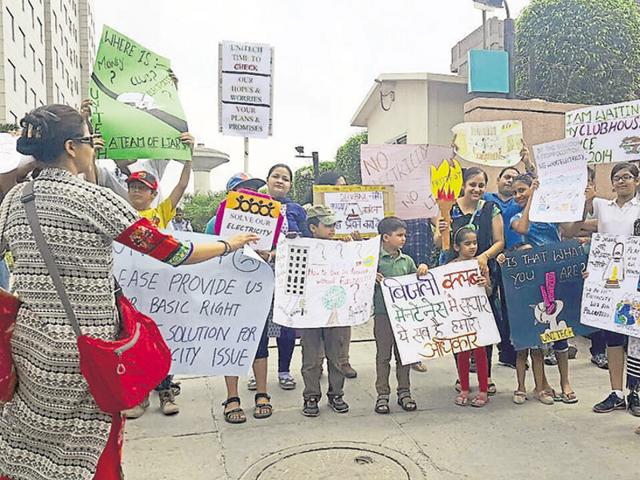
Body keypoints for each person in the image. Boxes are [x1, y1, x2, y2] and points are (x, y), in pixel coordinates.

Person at [0, 104, 258, 480]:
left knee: (31, 441)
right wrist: (228, 245)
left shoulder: (15, 201)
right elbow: (174, 252)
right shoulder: (96, 201)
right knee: (90, 451)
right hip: (87, 351)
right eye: (91, 141)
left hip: (29, 349)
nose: (95, 148)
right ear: (72, 148)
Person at [124, 134, 193, 418]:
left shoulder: (161, 212)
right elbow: (93, 181)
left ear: (153, 193)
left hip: (160, 289)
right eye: (132, 186)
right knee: (133, 338)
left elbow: (182, 185)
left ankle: (165, 390)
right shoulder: (121, 213)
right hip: (130, 288)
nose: (136, 191)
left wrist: (189, 156)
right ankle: (139, 394)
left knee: (161, 337)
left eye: (143, 187)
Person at [204, 172, 274, 424]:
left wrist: (268, 254)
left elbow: (275, 250)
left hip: (257, 290)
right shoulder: (215, 223)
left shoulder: (268, 222)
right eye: (242, 190)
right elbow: (208, 255)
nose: (248, 194)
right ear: (231, 195)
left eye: (253, 189)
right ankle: (232, 397)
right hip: (228, 292)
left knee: (260, 342)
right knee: (230, 343)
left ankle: (263, 393)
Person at [434, 166, 505, 395]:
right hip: (454, 275)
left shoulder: (491, 209)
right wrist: (440, 230)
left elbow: (499, 241)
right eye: (472, 184)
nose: (477, 189)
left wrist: (483, 257)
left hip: (482, 274)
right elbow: (439, 243)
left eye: (481, 185)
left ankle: (487, 377)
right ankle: (461, 376)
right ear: (463, 185)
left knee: (485, 324)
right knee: (459, 327)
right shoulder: (448, 207)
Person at [509, 174, 578, 404]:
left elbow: (569, 230)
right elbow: (523, 227)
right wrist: (532, 199)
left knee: (561, 329)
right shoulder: (517, 216)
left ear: (533, 188)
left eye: (522, 190)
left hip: (557, 277)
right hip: (534, 281)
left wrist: (581, 202)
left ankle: (565, 381)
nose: (518, 195)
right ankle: (543, 383)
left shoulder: (551, 215)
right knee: (539, 332)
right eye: (515, 192)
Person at [585, 162, 640, 414]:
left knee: (637, 340)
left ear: (636, 181)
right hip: (609, 285)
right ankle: (616, 392)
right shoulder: (601, 207)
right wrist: (593, 270)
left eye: (627, 177)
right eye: (617, 178)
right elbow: (576, 225)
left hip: (637, 282)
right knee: (614, 339)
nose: (621, 182)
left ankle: (636, 392)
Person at [303, 170, 357, 379]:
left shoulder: (347, 211)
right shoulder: (309, 210)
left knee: (342, 320)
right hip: (318, 279)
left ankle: (343, 361)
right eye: (338, 185)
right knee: (318, 323)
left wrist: (350, 243)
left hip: (338, 278)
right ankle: (317, 364)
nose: (342, 190)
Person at [373, 217, 428, 414]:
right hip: (383, 315)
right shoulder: (374, 261)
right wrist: (372, 278)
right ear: (386, 237)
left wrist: (422, 270)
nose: (404, 239)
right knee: (383, 356)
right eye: (399, 235)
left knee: (404, 355)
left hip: (404, 317)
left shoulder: (407, 261)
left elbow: (418, 281)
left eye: (404, 235)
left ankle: (404, 392)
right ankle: (382, 394)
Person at [300, 205, 351, 417]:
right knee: (311, 357)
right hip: (310, 312)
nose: (332, 229)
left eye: (333, 225)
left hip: (334, 310)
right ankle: (311, 395)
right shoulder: (300, 248)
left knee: (336, 354)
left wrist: (352, 247)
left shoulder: (341, 248)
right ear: (313, 227)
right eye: (327, 225)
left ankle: (336, 393)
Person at [264, 164, 309, 390]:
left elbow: (308, 238)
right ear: (268, 179)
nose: (280, 181)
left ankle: (284, 371)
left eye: (285, 178)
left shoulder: (296, 209)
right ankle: (256, 373)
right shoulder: (253, 206)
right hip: (259, 274)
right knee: (259, 325)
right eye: (276, 176)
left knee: (286, 325)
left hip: (290, 273)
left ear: (290, 184)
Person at [484, 166, 522, 369]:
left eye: (514, 178)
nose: (510, 181)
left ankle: (509, 353)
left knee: (511, 307)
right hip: (491, 257)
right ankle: (484, 352)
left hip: (515, 259)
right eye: (507, 177)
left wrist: (528, 163)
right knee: (489, 305)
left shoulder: (521, 200)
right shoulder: (488, 198)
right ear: (498, 179)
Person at [450, 227, 491, 407]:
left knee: (481, 353)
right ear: (456, 247)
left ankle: (483, 389)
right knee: (462, 352)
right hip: (459, 316)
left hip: (479, 315)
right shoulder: (450, 267)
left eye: (475, 243)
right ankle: (464, 387)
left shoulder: (480, 265)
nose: (472, 247)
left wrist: (484, 284)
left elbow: (489, 291)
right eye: (467, 244)